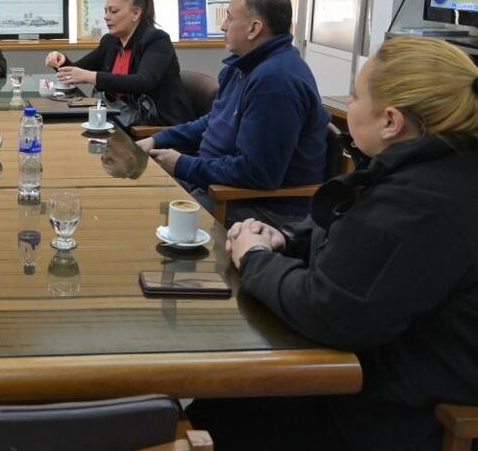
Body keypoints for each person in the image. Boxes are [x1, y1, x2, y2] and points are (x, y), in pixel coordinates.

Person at [190, 36, 478, 451]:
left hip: (393, 412)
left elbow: (328, 307)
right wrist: (287, 239)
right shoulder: (438, 169)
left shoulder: (419, 204)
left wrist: (253, 257)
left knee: (218, 411)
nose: (346, 104)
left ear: (391, 121)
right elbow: (352, 235)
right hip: (388, 367)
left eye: (355, 96)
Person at [137, 0, 328, 225]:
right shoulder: (242, 67)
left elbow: (258, 173)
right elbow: (214, 121)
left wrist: (183, 165)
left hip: (258, 206)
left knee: (147, 219)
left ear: (254, 29)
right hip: (219, 186)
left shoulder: (276, 82)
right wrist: (157, 140)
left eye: (229, 17)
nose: (222, 25)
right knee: (139, 196)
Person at [45, 0, 195, 126]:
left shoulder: (157, 40)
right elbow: (77, 72)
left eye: (114, 11)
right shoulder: (110, 42)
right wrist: (61, 61)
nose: (106, 17)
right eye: (105, 11)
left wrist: (92, 77)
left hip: (156, 122)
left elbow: (144, 81)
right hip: (120, 116)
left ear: (135, 13)